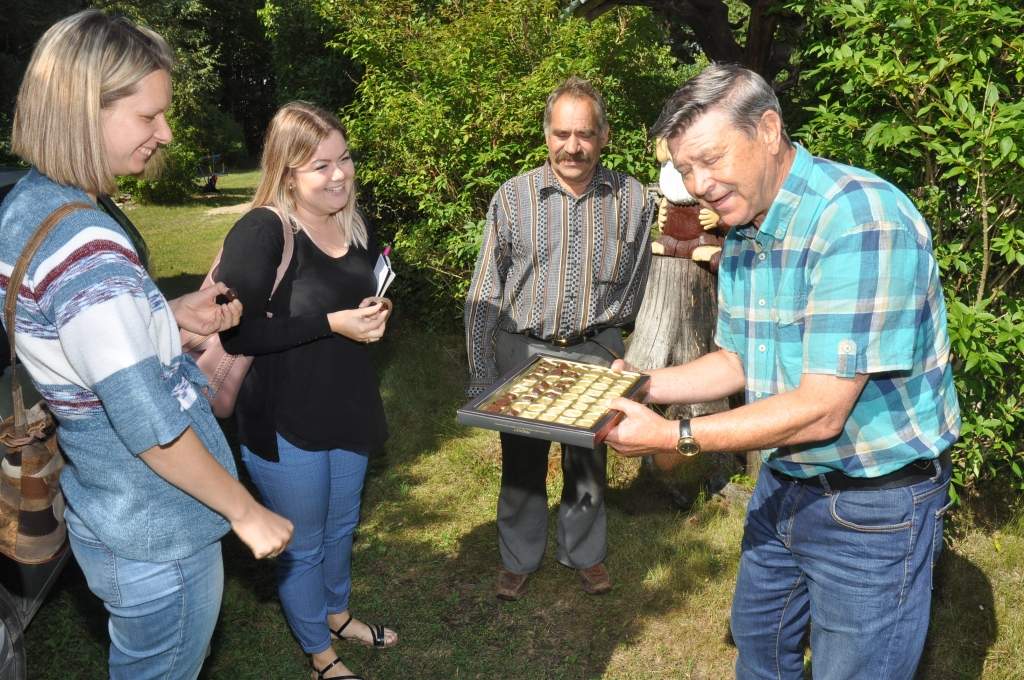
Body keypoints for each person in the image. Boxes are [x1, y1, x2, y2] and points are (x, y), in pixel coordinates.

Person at [604, 63, 961, 679]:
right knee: (760, 647)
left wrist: (672, 437)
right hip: (785, 479)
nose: (698, 184)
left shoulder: (859, 220)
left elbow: (822, 409)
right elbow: (740, 359)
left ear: (768, 129)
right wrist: (642, 384)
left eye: (710, 159)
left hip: (874, 507)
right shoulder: (746, 226)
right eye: (685, 169)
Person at [0, 10, 293, 679]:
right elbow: (151, 426)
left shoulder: (30, 206)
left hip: (103, 506)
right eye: (147, 116)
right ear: (81, 110)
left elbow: (73, 335)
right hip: (159, 527)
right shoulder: (90, 249)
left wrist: (161, 314)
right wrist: (246, 511)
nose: (164, 134)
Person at [216, 101, 395, 680]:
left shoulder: (354, 223)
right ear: (287, 170)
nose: (339, 174)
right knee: (304, 542)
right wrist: (332, 323)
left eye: (344, 159)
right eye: (320, 166)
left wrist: (377, 312)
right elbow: (240, 331)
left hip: (347, 406)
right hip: (284, 421)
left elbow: (361, 293)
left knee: (343, 527)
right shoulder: (263, 230)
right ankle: (321, 654)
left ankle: (337, 615)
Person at [464, 76, 655, 600]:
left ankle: (584, 553)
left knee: (590, 461)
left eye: (585, 134)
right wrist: (482, 374)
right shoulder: (512, 196)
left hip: (596, 350)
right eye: (562, 133)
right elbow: (485, 288)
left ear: (604, 136)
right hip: (522, 349)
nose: (573, 146)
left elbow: (639, 280)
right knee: (522, 463)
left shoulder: (635, 200)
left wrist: (617, 344)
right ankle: (518, 557)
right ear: (546, 134)